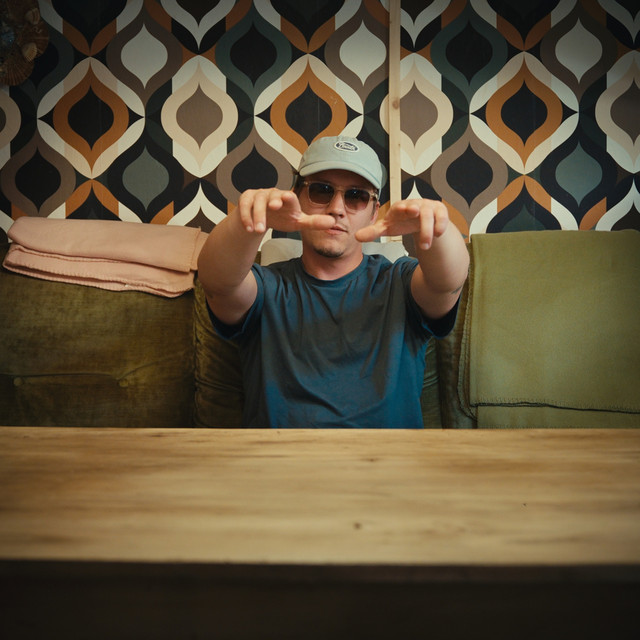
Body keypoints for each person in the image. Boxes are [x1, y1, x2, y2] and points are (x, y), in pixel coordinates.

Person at [198, 135, 469, 428]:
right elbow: (218, 283)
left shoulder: (399, 283)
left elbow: (448, 283)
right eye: (321, 190)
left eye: (356, 196)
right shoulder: (266, 288)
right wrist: (247, 223)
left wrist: (437, 228)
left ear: (373, 212)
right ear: (298, 198)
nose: (337, 208)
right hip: (283, 455)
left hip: (387, 456)